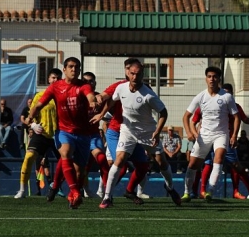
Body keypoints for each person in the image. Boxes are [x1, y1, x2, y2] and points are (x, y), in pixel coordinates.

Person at [98, 59, 181, 208]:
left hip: (148, 132)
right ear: (127, 73)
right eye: (132, 74)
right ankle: (107, 197)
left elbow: (163, 113)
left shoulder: (148, 95)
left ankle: (170, 187)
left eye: (138, 74)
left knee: (161, 162)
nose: (135, 77)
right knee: (120, 159)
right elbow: (111, 101)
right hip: (127, 130)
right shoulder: (121, 87)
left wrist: (156, 132)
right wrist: (101, 114)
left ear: (143, 74)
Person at [26, 57, 96, 209]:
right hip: (64, 130)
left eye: (77, 67)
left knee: (79, 172)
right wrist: (30, 117)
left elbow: (89, 94)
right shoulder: (56, 87)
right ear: (64, 69)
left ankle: (57, 187)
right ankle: (75, 191)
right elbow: (39, 104)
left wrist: (92, 101)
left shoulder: (83, 86)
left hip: (83, 134)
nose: (74, 69)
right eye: (70, 66)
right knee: (65, 152)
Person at [189, 83, 249, 200]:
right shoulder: (207, 102)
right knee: (204, 164)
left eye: (228, 92)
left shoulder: (235, 107)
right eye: (224, 92)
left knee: (236, 165)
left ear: (232, 95)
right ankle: (198, 191)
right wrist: (194, 132)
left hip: (225, 139)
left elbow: (244, 119)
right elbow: (194, 118)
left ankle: (248, 191)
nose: (225, 95)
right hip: (207, 138)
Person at [181, 67, 240, 202]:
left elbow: (237, 117)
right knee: (192, 164)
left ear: (219, 79)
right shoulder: (200, 96)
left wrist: (234, 135)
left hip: (221, 134)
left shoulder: (226, 96)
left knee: (218, 159)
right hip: (204, 135)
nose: (212, 79)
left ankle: (210, 192)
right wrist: (190, 132)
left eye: (214, 76)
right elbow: (186, 116)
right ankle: (186, 193)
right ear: (206, 79)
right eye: (209, 76)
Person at [14, 68, 63, 199]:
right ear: (48, 79)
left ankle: (83, 191)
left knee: (69, 162)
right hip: (42, 133)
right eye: (53, 77)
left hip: (60, 134)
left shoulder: (63, 96)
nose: (55, 80)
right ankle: (22, 190)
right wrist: (33, 125)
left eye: (58, 78)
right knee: (29, 157)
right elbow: (31, 115)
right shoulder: (40, 96)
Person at [81, 71, 111, 198]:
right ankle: (81, 189)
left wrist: (104, 116)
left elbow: (111, 106)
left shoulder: (99, 97)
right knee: (80, 166)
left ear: (95, 83)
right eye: (85, 81)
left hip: (93, 135)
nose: (88, 83)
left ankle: (107, 194)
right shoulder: (77, 96)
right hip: (78, 136)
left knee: (102, 160)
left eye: (91, 81)